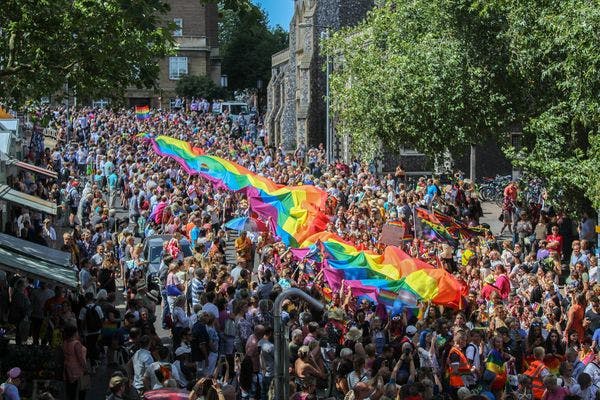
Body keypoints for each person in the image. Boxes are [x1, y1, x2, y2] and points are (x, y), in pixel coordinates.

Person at [62, 324, 88, 400]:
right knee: (82, 388)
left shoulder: (65, 342)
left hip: (67, 368)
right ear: (74, 333)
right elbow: (80, 358)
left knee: (71, 389)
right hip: (77, 369)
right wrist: (85, 368)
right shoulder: (76, 343)